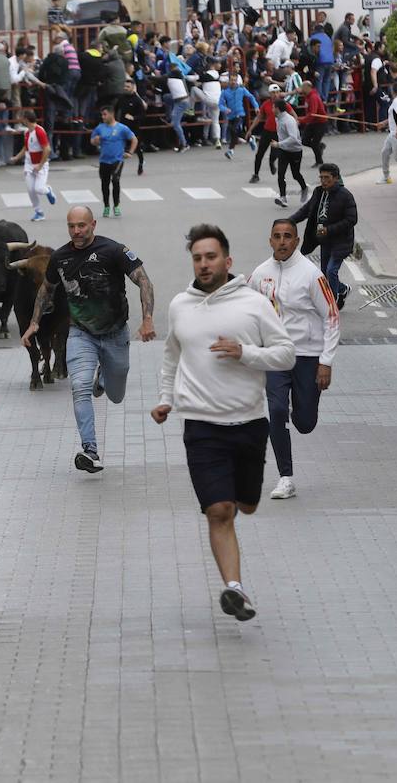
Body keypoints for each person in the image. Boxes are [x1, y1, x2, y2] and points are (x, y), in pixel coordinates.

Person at [151, 224, 294, 621]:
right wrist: (166, 399)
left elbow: (285, 354)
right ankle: (236, 588)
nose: (203, 264)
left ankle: (245, 506)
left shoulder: (254, 304)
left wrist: (245, 352)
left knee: (245, 505)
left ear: (227, 261)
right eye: (197, 258)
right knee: (220, 511)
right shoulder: (180, 305)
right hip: (201, 426)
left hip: (248, 423)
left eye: (210, 256)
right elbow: (171, 356)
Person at [21, 206, 156, 473]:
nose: (76, 231)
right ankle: (90, 451)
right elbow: (46, 290)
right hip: (81, 334)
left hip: (116, 334)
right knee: (79, 386)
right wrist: (34, 323)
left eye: (82, 225)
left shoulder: (115, 250)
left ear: (93, 224)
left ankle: (104, 379)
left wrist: (148, 318)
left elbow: (144, 281)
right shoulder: (60, 257)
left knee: (116, 395)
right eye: (71, 226)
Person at [249, 219, 340, 500]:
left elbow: (332, 316)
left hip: (307, 356)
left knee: (305, 422)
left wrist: (325, 361)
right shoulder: (260, 274)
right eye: (277, 236)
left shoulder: (312, 275)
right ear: (270, 240)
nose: (282, 242)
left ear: (297, 241)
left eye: (288, 236)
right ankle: (285, 477)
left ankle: (298, 411)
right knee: (276, 412)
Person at [289, 163, 356, 307]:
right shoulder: (319, 192)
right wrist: (290, 221)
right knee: (324, 273)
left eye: (327, 178)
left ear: (336, 178)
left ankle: (331, 302)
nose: (323, 181)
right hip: (325, 241)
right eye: (321, 177)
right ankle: (342, 289)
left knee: (331, 270)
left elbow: (351, 219)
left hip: (341, 241)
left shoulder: (345, 196)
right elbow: (307, 209)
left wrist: (329, 230)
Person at [90, 105, 137, 218]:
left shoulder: (122, 128)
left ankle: (116, 205)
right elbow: (92, 141)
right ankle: (106, 206)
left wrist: (130, 152)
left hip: (117, 160)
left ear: (112, 114)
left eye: (105, 114)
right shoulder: (100, 128)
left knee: (115, 181)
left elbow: (134, 139)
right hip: (104, 160)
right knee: (104, 184)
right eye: (102, 115)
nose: (103, 117)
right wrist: (95, 141)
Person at [10, 109, 56, 222]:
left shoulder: (39, 131)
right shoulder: (27, 132)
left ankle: (48, 190)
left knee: (39, 189)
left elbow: (47, 149)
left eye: (21, 117)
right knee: (30, 189)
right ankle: (39, 212)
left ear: (26, 119)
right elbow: (26, 148)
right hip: (29, 165)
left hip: (41, 165)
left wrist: (40, 165)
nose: (20, 119)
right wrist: (17, 157)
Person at [271, 97, 307, 208]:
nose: (271, 109)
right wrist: (280, 144)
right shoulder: (278, 119)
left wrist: (279, 144)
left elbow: (294, 138)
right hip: (284, 151)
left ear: (277, 108)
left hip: (295, 150)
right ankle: (283, 197)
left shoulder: (289, 120)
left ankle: (304, 188)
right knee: (281, 174)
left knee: (295, 174)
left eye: (273, 107)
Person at [244, 83, 281, 183]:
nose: (276, 94)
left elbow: (292, 115)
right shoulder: (266, 104)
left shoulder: (283, 104)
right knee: (259, 154)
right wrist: (250, 130)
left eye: (277, 92)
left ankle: (271, 162)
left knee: (274, 154)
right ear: (270, 94)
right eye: (273, 93)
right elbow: (259, 117)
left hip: (278, 133)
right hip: (267, 131)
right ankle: (256, 175)